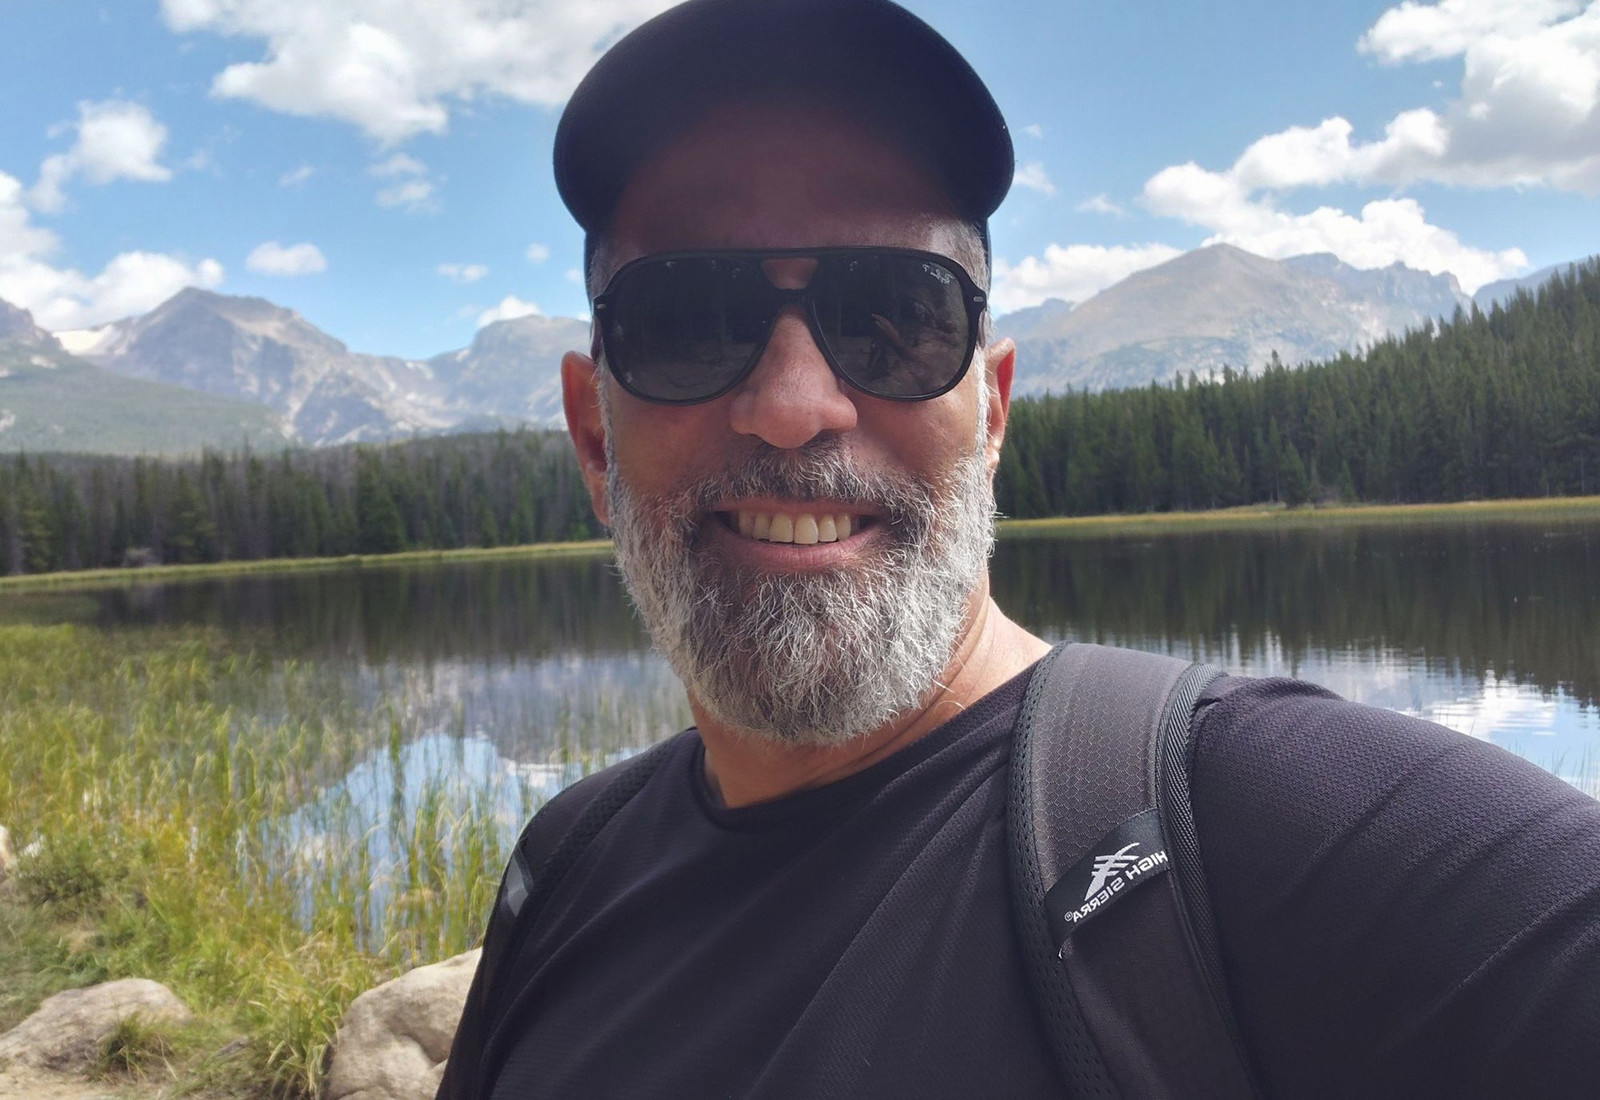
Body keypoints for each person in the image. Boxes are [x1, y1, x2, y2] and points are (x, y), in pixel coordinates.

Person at [439, 1, 1600, 1097]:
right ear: (594, 431)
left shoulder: (1259, 820)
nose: (793, 404)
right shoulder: (564, 872)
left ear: (991, 411)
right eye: (686, 321)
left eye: (896, 314)